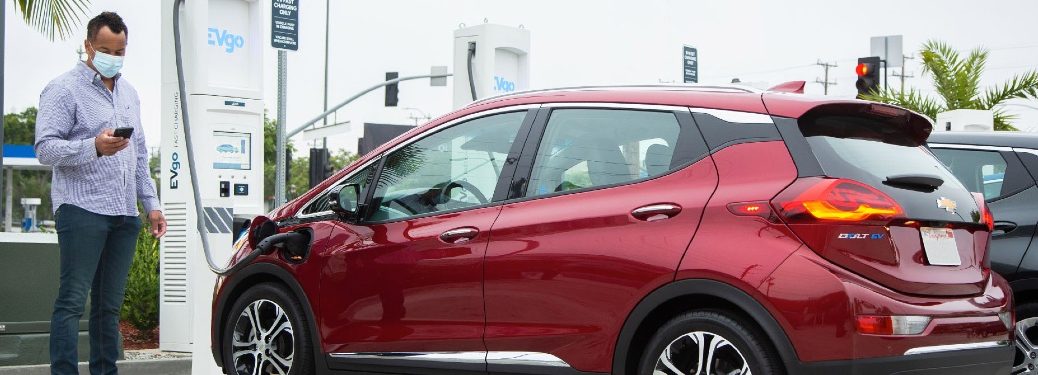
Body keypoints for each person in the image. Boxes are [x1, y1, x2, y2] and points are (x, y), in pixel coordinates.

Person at [34, 11, 166, 375]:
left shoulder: (130, 93)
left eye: (120, 51)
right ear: (88, 45)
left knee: (109, 308)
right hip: (81, 209)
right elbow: (45, 149)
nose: (113, 57)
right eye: (106, 50)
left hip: (124, 214)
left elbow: (139, 154)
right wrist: (93, 146)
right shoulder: (63, 89)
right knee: (72, 302)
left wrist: (151, 205)